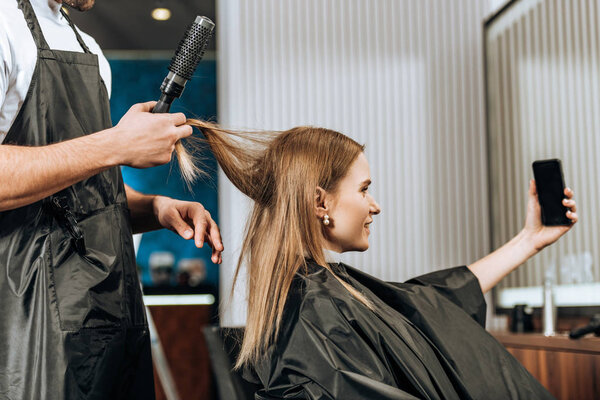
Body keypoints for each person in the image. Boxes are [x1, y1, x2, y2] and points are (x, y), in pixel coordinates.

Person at [185, 120, 577, 399]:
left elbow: (428, 301)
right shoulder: (316, 311)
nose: (375, 206)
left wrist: (530, 240)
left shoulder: (317, 292)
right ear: (321, 201)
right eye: (364, 189)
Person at [0, 0, 223, 399]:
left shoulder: (91, 52)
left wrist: (154, 208)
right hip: (29, 322)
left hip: (114, 317)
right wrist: (117, 142)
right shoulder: (4, 30)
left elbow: (85, 189)